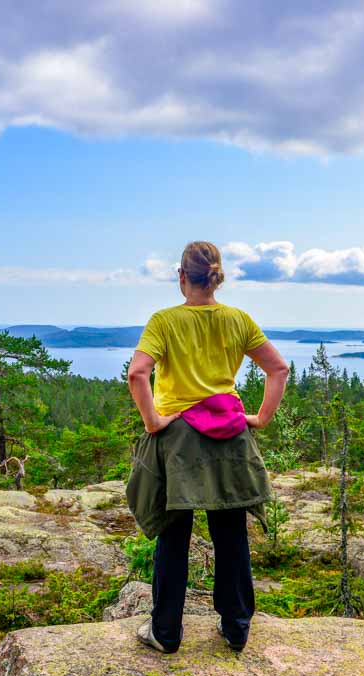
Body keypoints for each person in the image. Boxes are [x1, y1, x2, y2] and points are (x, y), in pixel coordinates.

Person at [125, 240, 289, 654]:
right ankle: (236, 629)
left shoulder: (164, 321)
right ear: (218, 277)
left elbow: (138, 374)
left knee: (173, 534)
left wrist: (154, 421)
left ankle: (165, 632)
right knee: (231, 533)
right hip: (230, 436)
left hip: (179, 440)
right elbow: (278, 368)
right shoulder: (238, 320)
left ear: (182, 277)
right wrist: (261, 418)